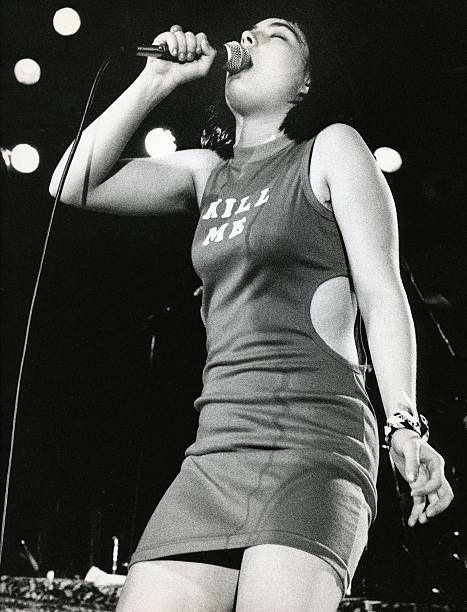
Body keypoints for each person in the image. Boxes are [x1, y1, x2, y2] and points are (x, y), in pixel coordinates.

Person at [49, 10, 454, 612]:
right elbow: (70, 182)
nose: (252, 37)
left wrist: (404, 420)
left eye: (278, 35)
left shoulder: (331, 148)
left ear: (304, 84)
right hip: (216, 448)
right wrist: (156, 81)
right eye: (251, 30)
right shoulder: (207, 174)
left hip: (313, 442)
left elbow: (382, 290)